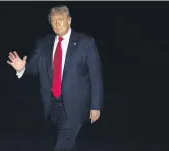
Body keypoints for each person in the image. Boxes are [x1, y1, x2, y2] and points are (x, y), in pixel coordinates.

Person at [7, 5, 104, 151]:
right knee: (68, 143)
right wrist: (22, 68)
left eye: (61, 19)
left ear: (69, 20)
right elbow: (33, 68)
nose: (57, 24)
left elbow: (95, 75)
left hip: (76, 105)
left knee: (61, 146)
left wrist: (95, 105)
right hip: (53, 104)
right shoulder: (44, 43)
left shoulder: (86, 43)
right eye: (54, 21)